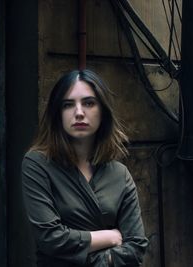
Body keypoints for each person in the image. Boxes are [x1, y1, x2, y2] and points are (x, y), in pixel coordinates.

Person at [21, 69, 148, 267]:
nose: (79, 113)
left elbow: (137, 246)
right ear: (58, 113)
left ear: (102, 111)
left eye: (89, 103)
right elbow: (51, 239)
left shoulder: (119, 173)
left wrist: (97, 259)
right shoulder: (38, 164)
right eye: (68, 105)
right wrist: (109, 237)